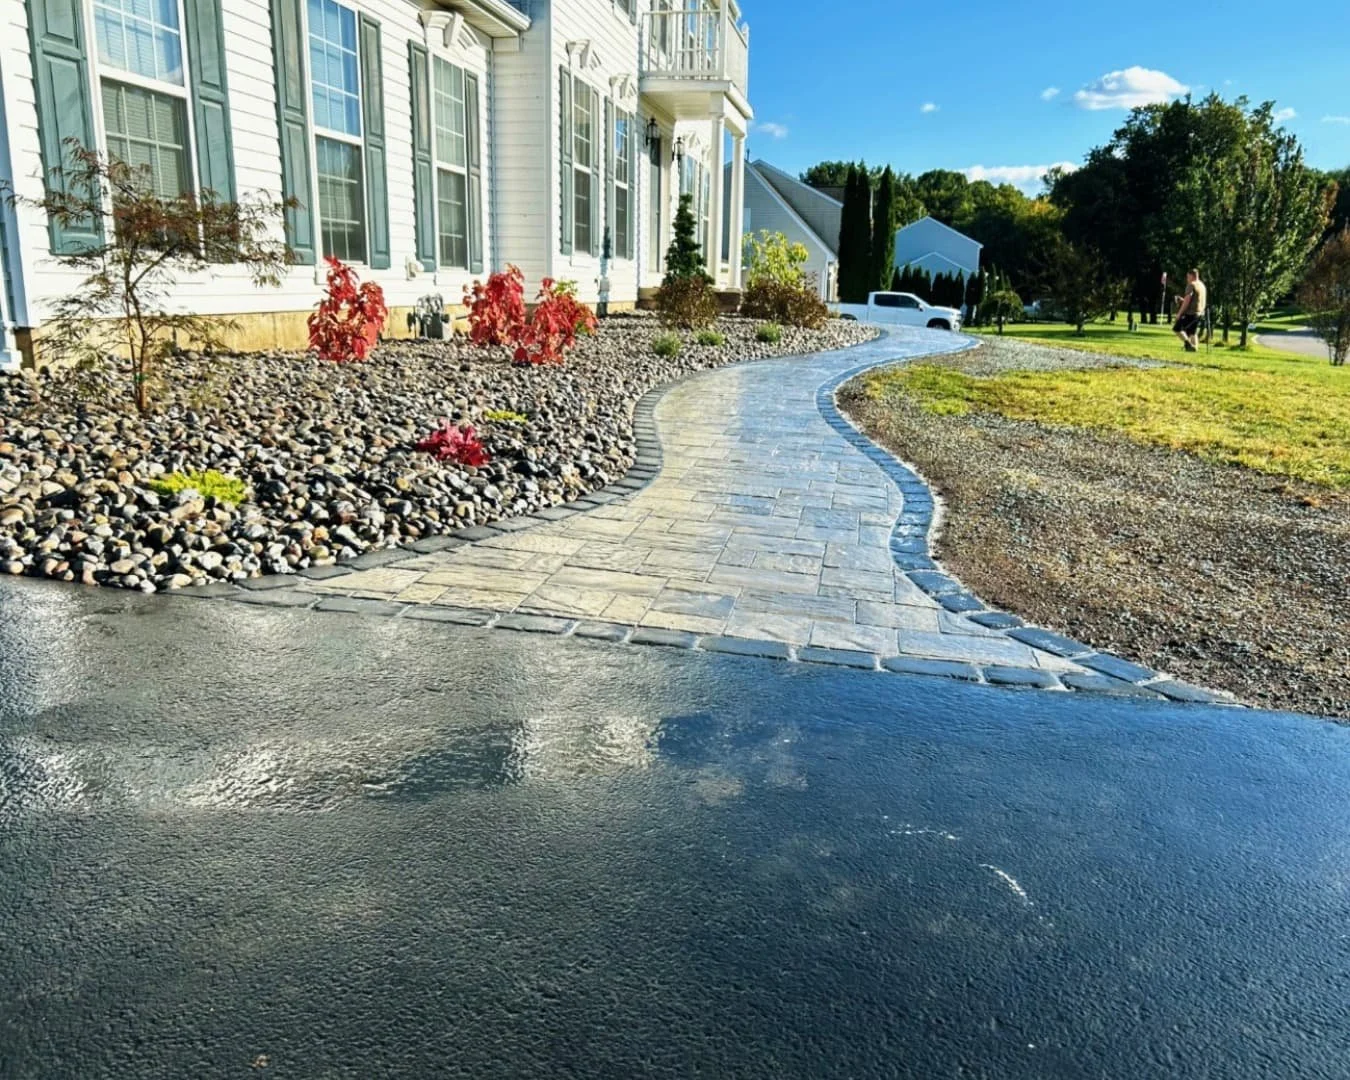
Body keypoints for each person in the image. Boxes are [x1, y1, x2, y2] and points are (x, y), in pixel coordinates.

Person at [1172, 269, 1207, 352]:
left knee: (1177, 329)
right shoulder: (1202, 285)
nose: (1187, 279)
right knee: (1192, 333)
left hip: (1191, 313)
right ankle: (1195, 348)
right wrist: (1182, 300)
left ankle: (1188, 344)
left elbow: (1188, 300)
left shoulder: (1191, 285)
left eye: (1188, 277)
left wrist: (1179, 313)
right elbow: (1195, 300)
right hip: (1199, 313)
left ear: (1192, 276)